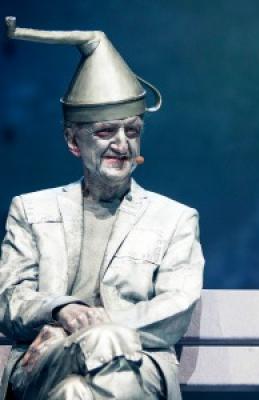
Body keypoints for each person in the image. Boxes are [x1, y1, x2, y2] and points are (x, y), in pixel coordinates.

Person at [0, 18, 204, 400]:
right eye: (106, 132)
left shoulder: (175, 219)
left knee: (75, 392)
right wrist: (60, 310)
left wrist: (98, 327)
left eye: (132, 131)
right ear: (73, 141)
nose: (122, 144)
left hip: (138, 366)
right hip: (46, 364)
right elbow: (8, 297)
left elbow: (175, 308)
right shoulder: (31, 210)